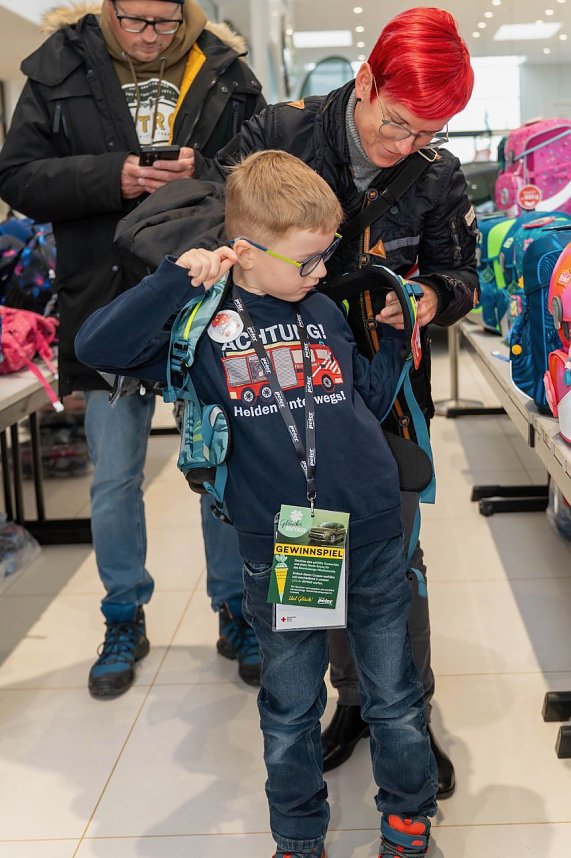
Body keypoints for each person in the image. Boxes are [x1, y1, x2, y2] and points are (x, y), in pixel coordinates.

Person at [130, 5, 478, 795]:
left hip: (381, 402)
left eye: (428, 135)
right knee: (310, 557)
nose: (407, 149)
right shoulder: (276, 133)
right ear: (364, 82)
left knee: (394, 564)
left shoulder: (436, 171)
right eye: (396, 126)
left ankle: (405, 716)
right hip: (280, 402)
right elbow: (194, 227)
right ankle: (350, 703)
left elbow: (462, 276)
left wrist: (427, 296)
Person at [76, 147, 439, 858]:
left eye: (326, 255)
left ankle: (407, 815)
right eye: (306, 260)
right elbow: (101, 346)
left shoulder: (327, 311)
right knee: (289, 708)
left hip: (369, 529)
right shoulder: (200, 326)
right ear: (242, 249)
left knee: (395, 696)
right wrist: (171, 282)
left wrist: (394, 342)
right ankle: (299, 834)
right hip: (281, 543)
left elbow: (362, 403)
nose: (321, 271)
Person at [0, 0, 266, 696]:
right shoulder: (57, 67)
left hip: (206, 305)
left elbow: (265, 174)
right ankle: (124, 615)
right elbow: (18, 177)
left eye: (165, 22)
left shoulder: (228, 71)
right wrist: (112, 177)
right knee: (114, 477)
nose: (150, 36)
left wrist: (201, 173)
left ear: (188, 13)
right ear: (109, 9)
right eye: (136, 20)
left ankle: (235, 608)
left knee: (220, 469)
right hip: (106, 305)